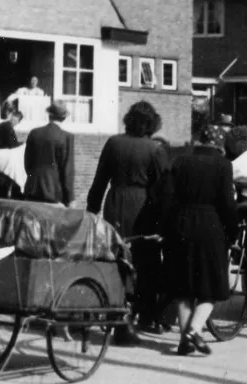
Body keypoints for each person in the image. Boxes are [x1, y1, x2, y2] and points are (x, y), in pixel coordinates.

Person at [86, 101, 171, 343]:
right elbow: (164, 189)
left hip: (115, 203)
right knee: (147, 262)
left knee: (117, 260)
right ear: (152, 124)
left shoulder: (113, 143)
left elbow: (99, 180)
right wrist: (164, 222)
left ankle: (118, 312)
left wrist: (92, 211)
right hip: (143, 207)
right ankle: (145, 316)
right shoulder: (155, 149)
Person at [162, 124, 238, 356]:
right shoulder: (223, 165)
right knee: (211, 287)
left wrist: (167, 228)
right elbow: (227, 203)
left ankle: (185, 341)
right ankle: (195, 330)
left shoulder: (180, 161)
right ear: (220, 145)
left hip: (180, 225)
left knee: (183, 287)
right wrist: (232, 233)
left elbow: (168, 197)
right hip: (210, 227)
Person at [23, 102, 75, 206]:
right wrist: (70, 198)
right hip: (54, 192)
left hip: (32, 188)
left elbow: (27, 163)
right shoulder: (66, 137)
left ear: (49, 115)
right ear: (64, 118)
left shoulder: (34, 133)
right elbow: (67, 171)